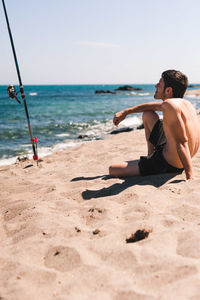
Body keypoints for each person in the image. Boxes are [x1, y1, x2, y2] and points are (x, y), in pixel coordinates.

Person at [109, 70, 200, 180]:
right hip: (178, 155)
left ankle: (151, 162)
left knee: (113, 169)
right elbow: (151, 106)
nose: (156, 85)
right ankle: (150, 156)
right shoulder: (185, 103)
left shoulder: (170, 105)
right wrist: (126, 112)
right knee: (148, 114)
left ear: (168, 90)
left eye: (159, 84)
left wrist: (190, 176)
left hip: (169, 163)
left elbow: (182, 141)